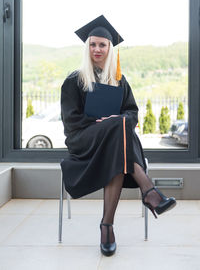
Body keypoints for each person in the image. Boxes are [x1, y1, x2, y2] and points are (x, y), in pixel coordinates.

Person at [60, 15, 176, 257]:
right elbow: (71, 121)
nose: (97, 49)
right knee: (119, 125)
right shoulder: (74, 80)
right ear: (87, 47)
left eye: (102, 44)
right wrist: (101, 121)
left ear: (110, 48)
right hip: (83, 141)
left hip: (114, 145)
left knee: (120, 128)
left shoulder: (119, 81)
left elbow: (132, 113)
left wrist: (115, 122)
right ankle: (149, 191)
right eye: (93, 44)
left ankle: (107, 226)